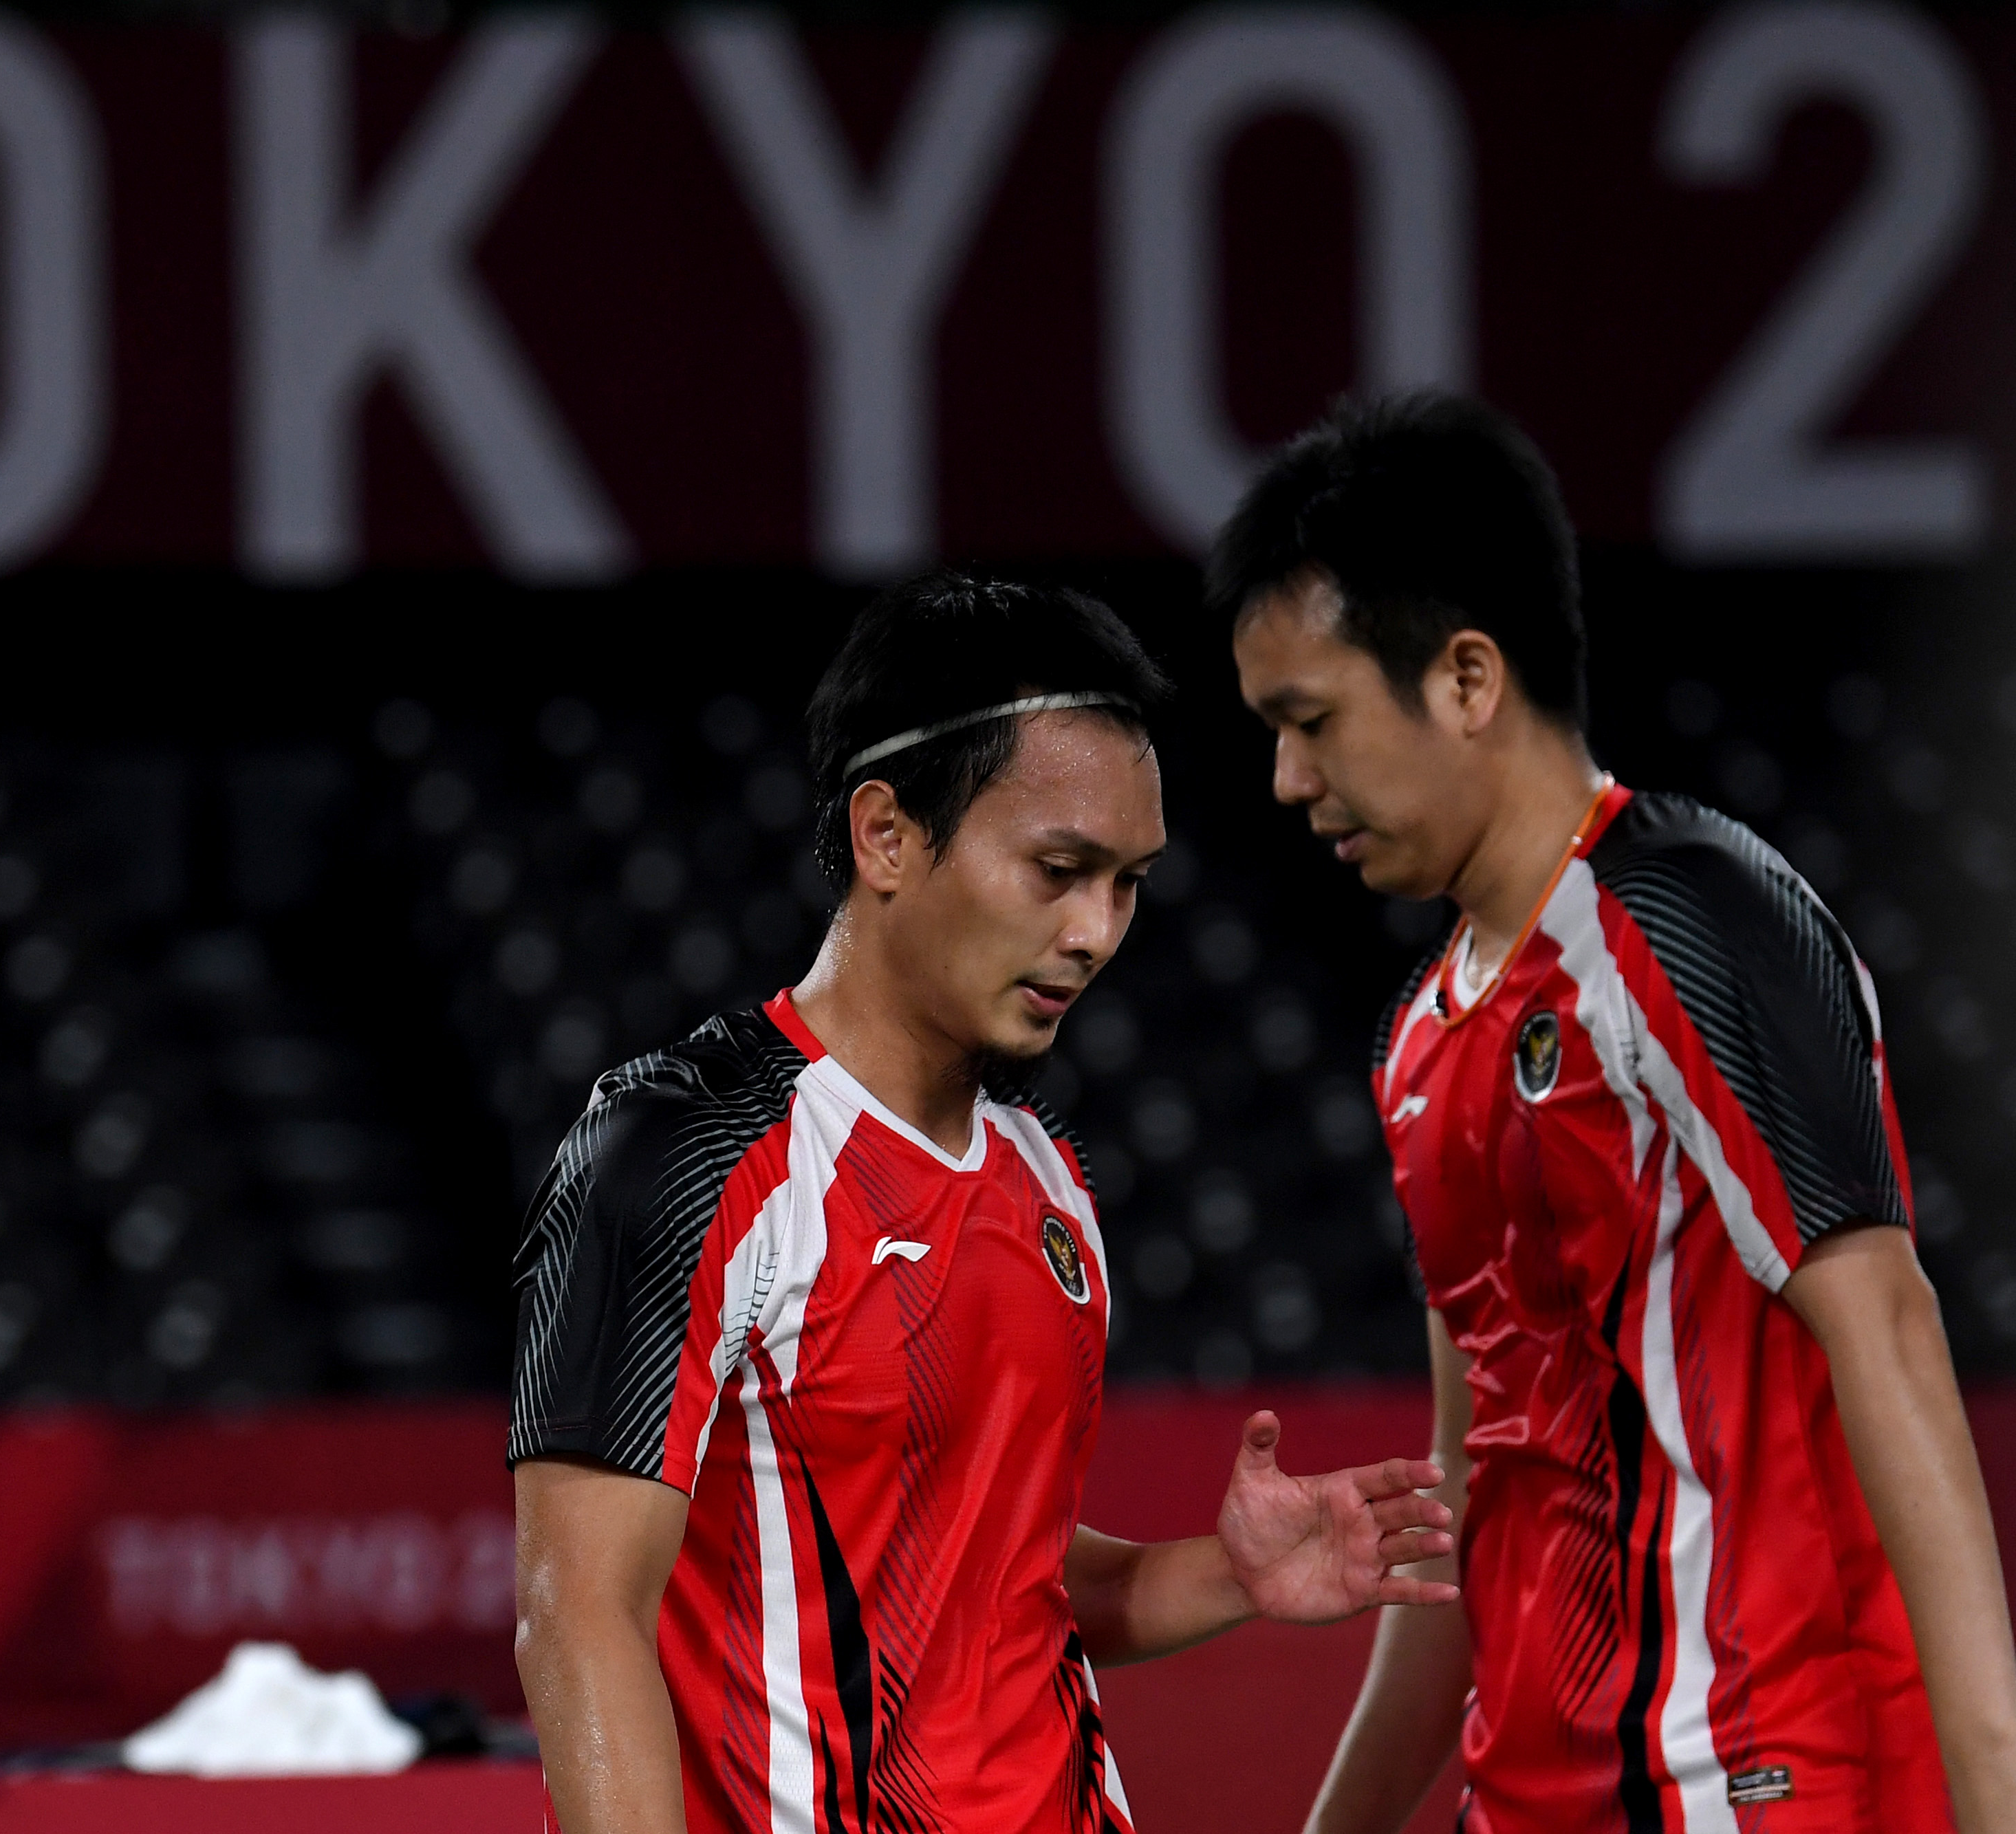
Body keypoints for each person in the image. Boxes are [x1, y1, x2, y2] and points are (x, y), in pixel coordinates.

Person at [508, 574, 1461, 1834]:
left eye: (1127, 883)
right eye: (1059, 869)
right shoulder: (686, 1156)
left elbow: (990, 1581)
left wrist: (1228, 1572)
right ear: (886, 834)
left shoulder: (1046, 1168)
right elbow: (578, 1610)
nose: (1095, 933)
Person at [1215, 393, 2016, 1834]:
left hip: (1751, 1783)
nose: (1285, 780)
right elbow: (1475, 1491)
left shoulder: (1692, 918)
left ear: (1465, 676)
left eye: (1309, 720)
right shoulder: (1416, 1038)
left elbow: (1883, 1324)